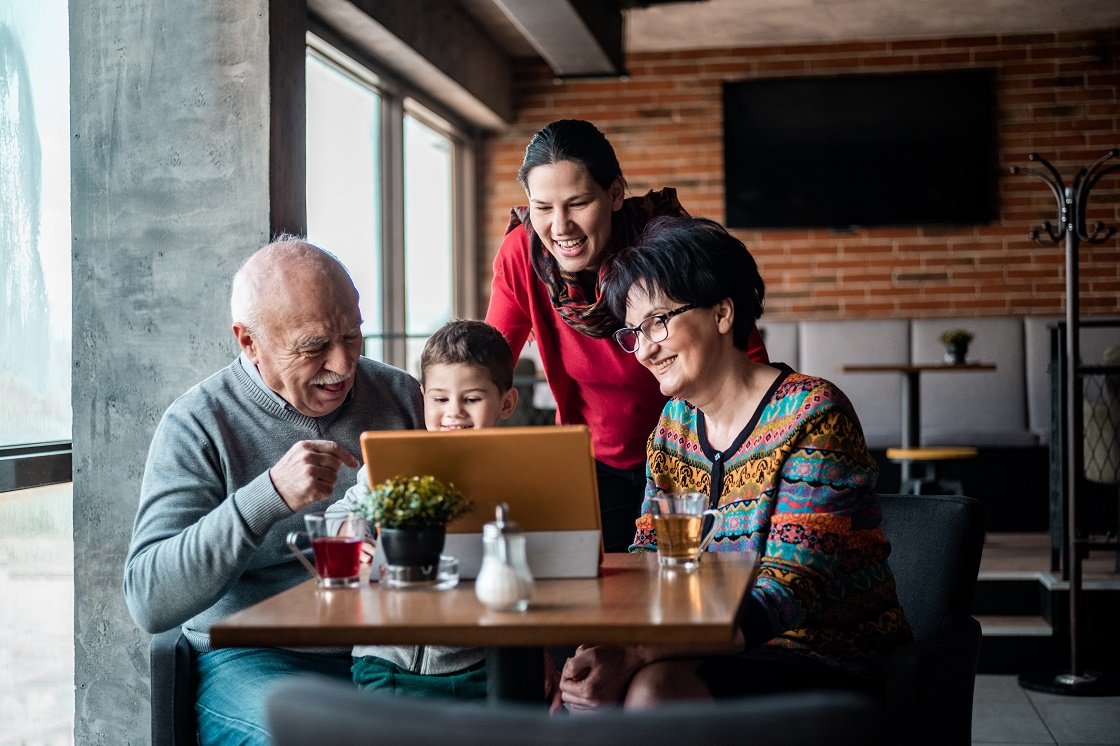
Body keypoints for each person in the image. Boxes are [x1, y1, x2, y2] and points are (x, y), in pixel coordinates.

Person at [557, 216, 912, 711]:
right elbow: (648, 555)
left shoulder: (811, 413)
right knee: (589, 686)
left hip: (826, 656)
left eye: (658, 322)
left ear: (723, 313)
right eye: (633, 332)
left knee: (650, 693)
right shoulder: (672, 428)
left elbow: (791, 588)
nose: (645, 349)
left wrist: (639, 652)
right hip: (713, 650)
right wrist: (611, 646)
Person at [122, 237, 424, 745]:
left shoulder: (400, 396)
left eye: (353, 336)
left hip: (393, 653)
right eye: (313, 347)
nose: (343, 364)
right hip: (253, 659)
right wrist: (267, 497)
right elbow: (148, 598)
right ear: (248, 342)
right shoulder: (198, 423)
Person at [486, 119, 770, 552]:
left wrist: (764, 440)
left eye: (578, 203)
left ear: (615, 194)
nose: (560, 226)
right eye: (542, 207)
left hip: (691, 448)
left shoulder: (665, 249)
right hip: (593, 459)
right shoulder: (523, 257)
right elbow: (488, 363)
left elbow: (739, 351)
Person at [331, 319, 518, 699]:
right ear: (422, 397)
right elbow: (342, 514)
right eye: (440, 399)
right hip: (387, 659)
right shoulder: (393, 462)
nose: (454, 414)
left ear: (507, 402)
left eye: (471, 399)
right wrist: (350, 538)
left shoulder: (521, 475)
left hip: (480, 663)